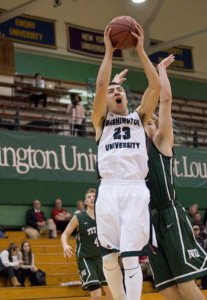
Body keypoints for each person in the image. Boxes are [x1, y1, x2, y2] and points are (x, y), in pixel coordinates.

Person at [92, 23, 161, 300]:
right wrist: (109, 51)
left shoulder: (140, 117)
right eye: (110, 93)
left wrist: (141, 50)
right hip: (108, 188)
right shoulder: (100, 121)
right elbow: (100, 85)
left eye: (117, 91)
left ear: (124, 95)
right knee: (109, 258)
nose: (114, 93)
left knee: (131, 258)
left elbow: (155, 85)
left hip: (134, 188)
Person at [143, 54, 207, 300]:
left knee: (186, 285)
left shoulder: (161, 142)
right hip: (150, 224)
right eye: (144, 121)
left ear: (157, 127)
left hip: (170, 215)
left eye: (151, 121)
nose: (147, 124)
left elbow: (166, 101)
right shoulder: (135, 155)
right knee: (167, 289)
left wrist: (161, 71)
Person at [61, 188, 113, 300]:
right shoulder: (79, 217)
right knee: (97, 295)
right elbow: (65, 234)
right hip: (86, 259)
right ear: (85, 202)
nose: (92, 198)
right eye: (89, 197)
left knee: (111, 294)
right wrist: (65, 245)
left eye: (94, 196)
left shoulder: (104, 216)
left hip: (103, 258)